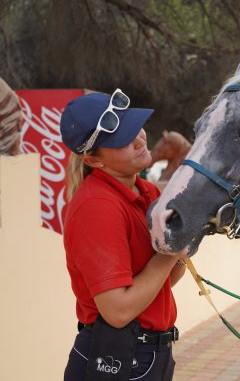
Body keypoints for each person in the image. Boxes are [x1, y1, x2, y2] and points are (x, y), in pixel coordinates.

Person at [60, 88, 186, 381]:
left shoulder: (147, 191)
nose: (139, 139)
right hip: (120, 359)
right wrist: (170, 252)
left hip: (152, 354)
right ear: (95, 161)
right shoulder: (96, 207)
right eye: (122, 140)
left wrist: (183, 246)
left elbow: (165, 282)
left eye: (134, 127)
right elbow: (117, 311)